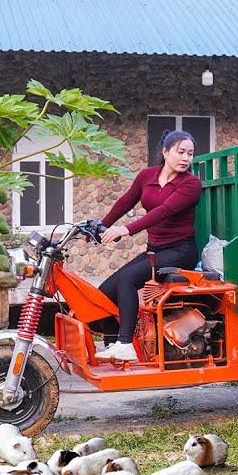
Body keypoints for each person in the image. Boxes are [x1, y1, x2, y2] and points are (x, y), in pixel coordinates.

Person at [95, 130, 203, 362]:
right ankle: (113, 345)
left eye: (190, 154)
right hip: (155, 250)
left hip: (181, 251)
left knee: (128, 278)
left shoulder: (191, 184)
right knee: (105, 291)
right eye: (181, 152)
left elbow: (164, 211)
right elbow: (125, 202)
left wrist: (126, 229)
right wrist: (101, 226)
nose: (186, 158)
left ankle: (125, 344)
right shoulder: (147, 176)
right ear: (165, 152)